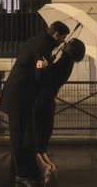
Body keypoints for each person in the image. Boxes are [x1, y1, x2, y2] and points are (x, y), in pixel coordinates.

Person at [0, 21, 70, 186]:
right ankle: (21, 175)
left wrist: (48, 61)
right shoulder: (42, 46)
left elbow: (35, 64)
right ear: (56, 34)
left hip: (19, 94)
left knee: (21, 134)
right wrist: (49, 65)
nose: (64, 41)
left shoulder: (37, 41)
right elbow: (40, 76)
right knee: (17, 135)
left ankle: (18, 171)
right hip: (19, 97)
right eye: (63, 37)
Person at [27, 38, 86, 184]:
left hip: (41, 102)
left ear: (72, 49)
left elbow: (45, 79)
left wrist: (43, 66)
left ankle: (45, 167)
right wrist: (51, 62)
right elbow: (53, 74)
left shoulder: (64, 61)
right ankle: (50, 166)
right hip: (48, 102)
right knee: (40, 138)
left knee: (31, 136)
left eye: (69, 42)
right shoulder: (67, 61)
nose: (66, 42)